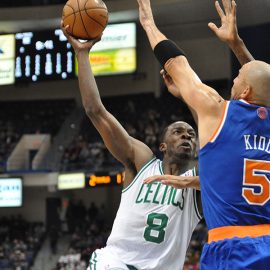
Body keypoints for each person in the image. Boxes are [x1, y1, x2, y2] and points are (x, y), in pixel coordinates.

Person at [138, 0, 270, 269]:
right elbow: (263, 85)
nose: (232, 80)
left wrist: (149, 25)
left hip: (233, 248)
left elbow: (176, 64)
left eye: (238, 77)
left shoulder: (216, 108)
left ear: (243, 92)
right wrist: (236, 44)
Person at [61, 21, 202, 270]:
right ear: (162, 146)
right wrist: (82, 54)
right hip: (116, 262)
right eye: (178, 132)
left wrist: (185, 95)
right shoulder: (142, 162)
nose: (186, 136)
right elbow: (96, 111)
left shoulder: (197, 182)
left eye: (191, 134)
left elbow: (214, 125)